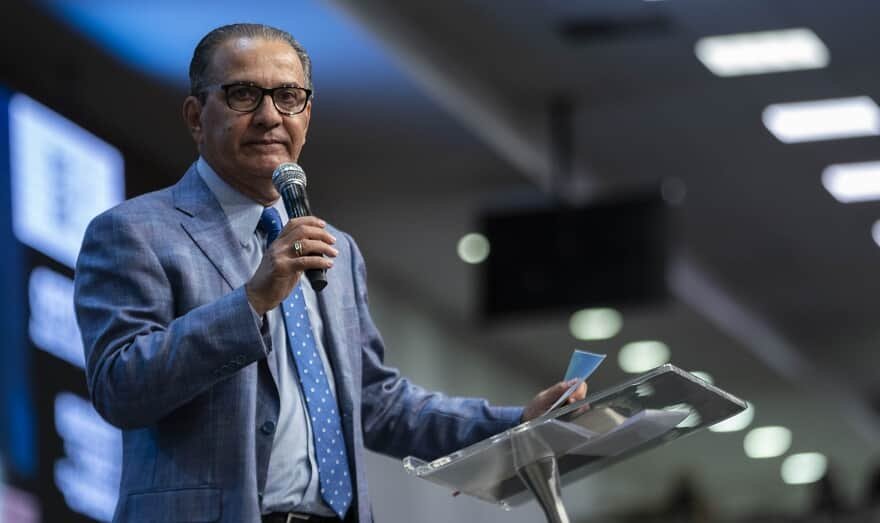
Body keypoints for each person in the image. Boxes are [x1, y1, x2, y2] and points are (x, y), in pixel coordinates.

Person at [74, 23, 585, 523]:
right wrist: (251, 301)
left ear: (307, 114)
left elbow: (374, 403)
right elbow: (121, 387)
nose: (269, 116)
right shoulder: (135, 232)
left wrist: (516, 423)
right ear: (195, 116)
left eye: (288, 96)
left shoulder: (336, 249)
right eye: (243, 94)